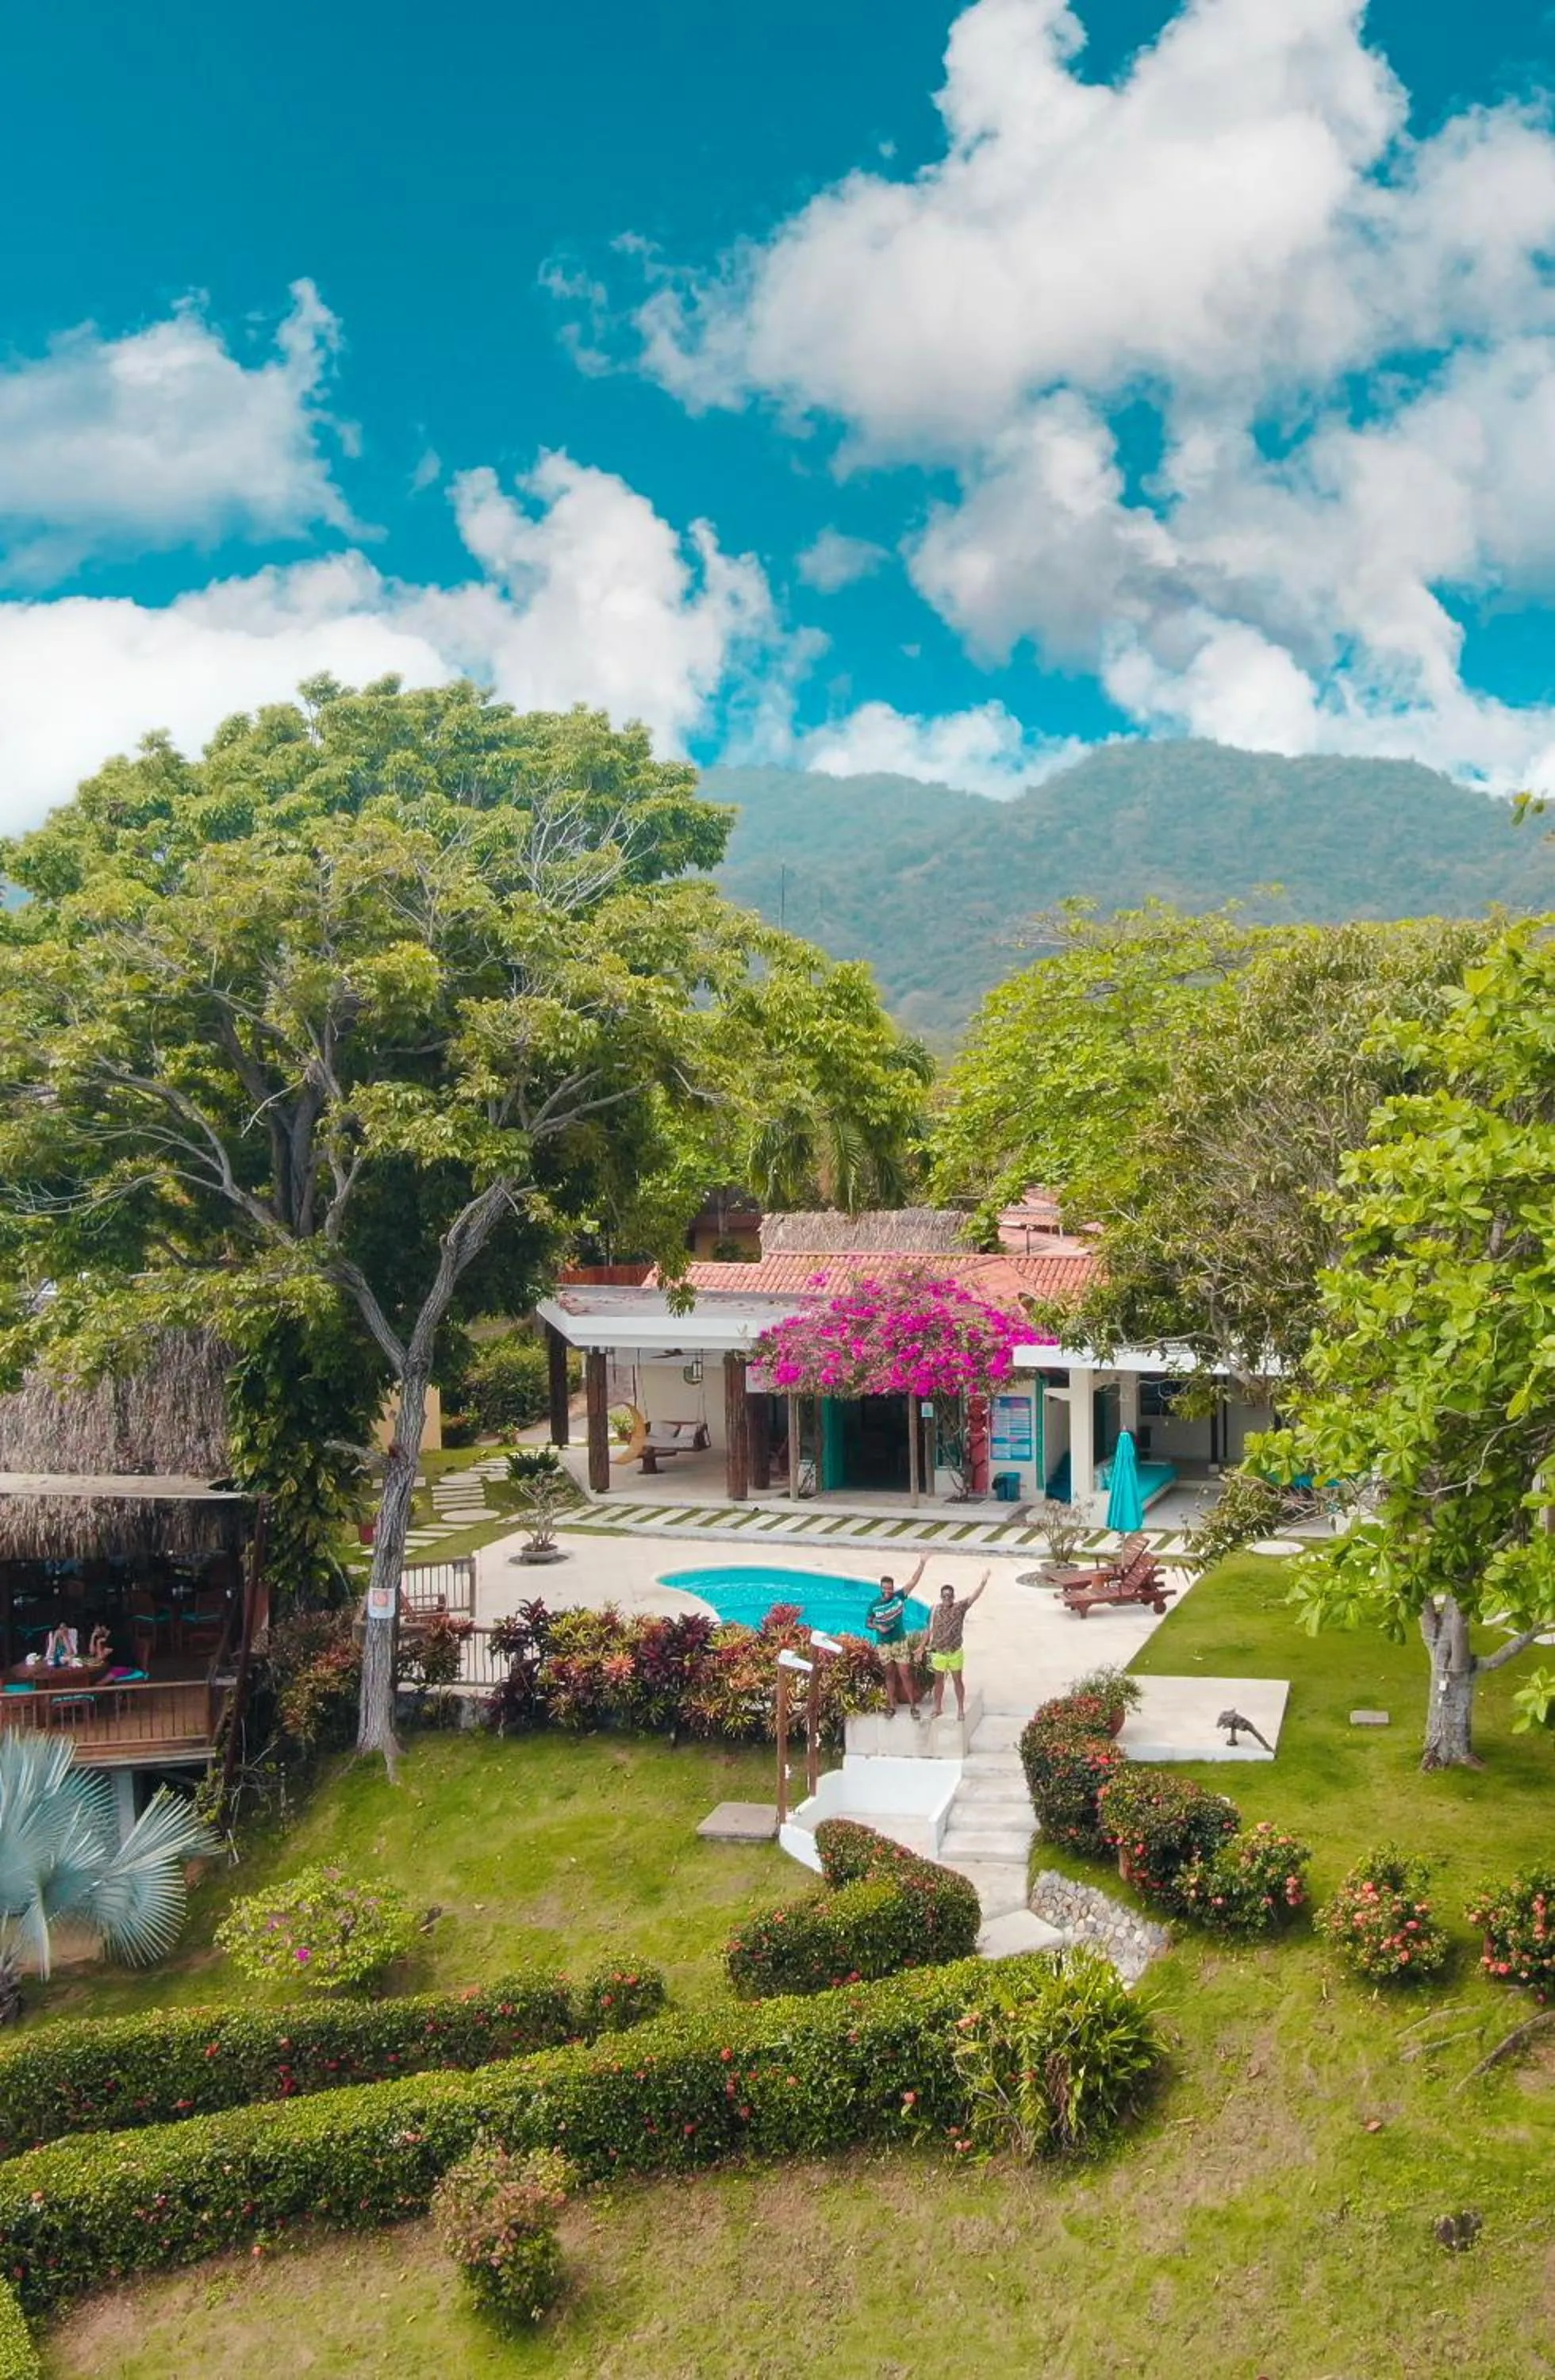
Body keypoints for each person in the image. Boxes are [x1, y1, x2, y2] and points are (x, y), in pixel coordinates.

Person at [866, 1557, 926, 1719]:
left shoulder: (899, 1597)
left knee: (905, 1673)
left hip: (899, 1642)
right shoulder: (874, 1605)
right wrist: (879, 1627)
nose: (888, 1591)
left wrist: (922, 1563)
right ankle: (892, 1706)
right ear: (881, 1588)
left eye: (890, 1588)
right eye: (885, 1588)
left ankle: (913, 1706)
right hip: (884, 1644)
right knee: (889, 1674)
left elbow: (913, 1581)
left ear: (893, 1588)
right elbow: (868, 1623)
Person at [925, 1571, 989, 1722]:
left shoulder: (959, 1608)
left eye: (949, 1596)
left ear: (953, 1597)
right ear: (941, 1597)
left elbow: (973, 1597)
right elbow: (928, 1629)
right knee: (938, 1682)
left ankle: (960, 1708)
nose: (947, 1598)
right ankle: (937, 1707)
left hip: (954, 1653)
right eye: (944, 1596)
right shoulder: (935, 1610)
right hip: (939, 1653)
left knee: (957, 1681)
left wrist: (983, 1583)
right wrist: (923, 1646)